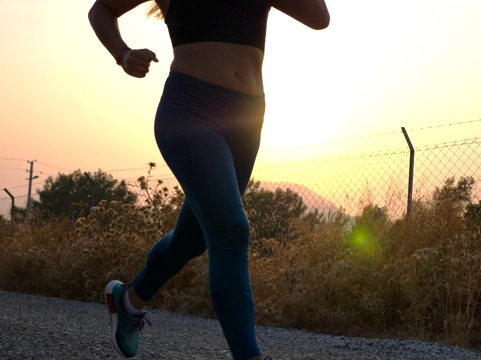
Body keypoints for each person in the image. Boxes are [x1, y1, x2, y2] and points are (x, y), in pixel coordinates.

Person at [88, 0, 330, 359]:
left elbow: (318, 17)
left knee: (193, 238)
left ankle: (128, 300)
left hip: (247, 119)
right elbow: (101, 10)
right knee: (231, 229)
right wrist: (122, 54)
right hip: (190, 110)